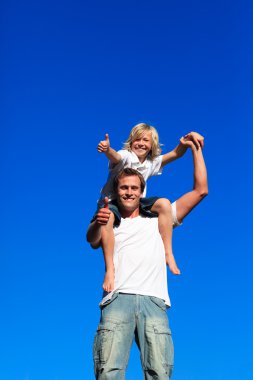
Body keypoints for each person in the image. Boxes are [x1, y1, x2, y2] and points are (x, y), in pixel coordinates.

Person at [86, 141, 208, 379]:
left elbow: (200, 190)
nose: (128, 192)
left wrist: (196, 149)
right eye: (123, 188)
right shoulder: (112, 221)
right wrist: (98, 222)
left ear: (142, 191)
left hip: (154, 301)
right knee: (108, 372)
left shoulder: (160, 220)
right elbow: (92, 239)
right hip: (116, 299)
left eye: (133, 187)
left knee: (159, 373)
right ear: (116, 190)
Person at [95, 123, 204, 292]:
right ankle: (110, 269)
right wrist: (108, 149)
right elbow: (116, 157)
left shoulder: (150, 163)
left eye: (145, 140)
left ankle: (168, 252)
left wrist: (185, 143)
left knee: (164, 204)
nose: (141, 143)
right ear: (131, 142)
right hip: (112, 202)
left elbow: (175, 154)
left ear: (152, 145)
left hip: (136, 203)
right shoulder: (127, 155)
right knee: (108, 218)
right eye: (137, 139)